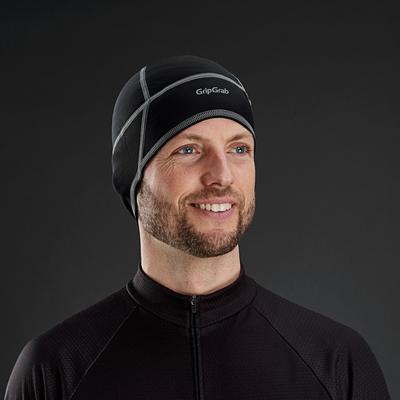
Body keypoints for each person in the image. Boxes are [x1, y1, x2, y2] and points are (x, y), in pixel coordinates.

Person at [4, 55, 391, 400]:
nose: (222, 176)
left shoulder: (336, 362)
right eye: (188, 150)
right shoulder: (56, 370)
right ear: (134, 177)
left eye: (239, 149)